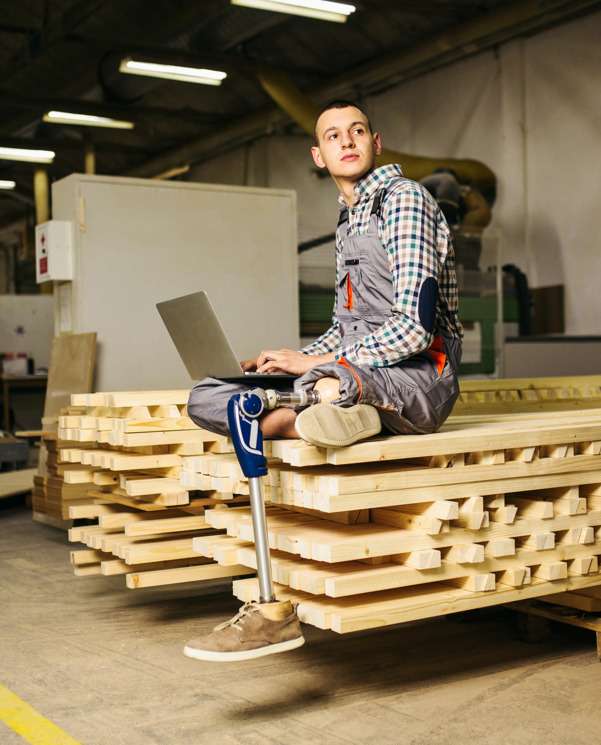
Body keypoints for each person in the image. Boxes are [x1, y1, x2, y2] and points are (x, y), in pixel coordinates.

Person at [182, 100, 463, 662]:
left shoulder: (404, 202)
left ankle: (324, 408)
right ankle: (329, 413)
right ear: (319, 155)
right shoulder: (349, 218)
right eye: (334, 135)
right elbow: (344, 327)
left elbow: (411, 328)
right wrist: (296, 357)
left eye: (357, 131)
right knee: (207, 395)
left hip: (420, 374)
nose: (347, 140)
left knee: (325, 384)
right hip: (355, 372)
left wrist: (323, 370)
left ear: (376, 142)